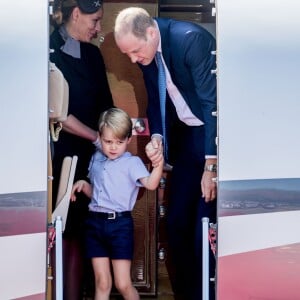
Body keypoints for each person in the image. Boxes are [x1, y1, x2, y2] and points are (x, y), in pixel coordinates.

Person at [114, 7, 217, 300]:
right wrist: (157, 137)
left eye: (135, 51)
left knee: (202, 229)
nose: (134, 60)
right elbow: (155, 101)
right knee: (175, 225)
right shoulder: (147, 51)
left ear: (150, 32)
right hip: (186, 142)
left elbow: (213, 106)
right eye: (127, 55)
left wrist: (212, 166)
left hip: (212, 141)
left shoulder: (190, 40)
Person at [49, 0, 114, 299]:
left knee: (88, 232)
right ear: (76, 14)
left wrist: (113, 144)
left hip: (93, 156)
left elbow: (106, 108)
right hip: (59, 156)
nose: (99, 28)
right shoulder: (47, 47)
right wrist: (96, 139)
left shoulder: (92, 54)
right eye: (95, 20)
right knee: (66, 231)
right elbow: (56, 113)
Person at [70, 107, 164, 300]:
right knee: (102, 283)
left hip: (120, 226)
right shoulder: (96, 158)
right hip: (94, 224)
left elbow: (151, 184)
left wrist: (159, 164)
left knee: (122, 284)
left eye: (119, 142)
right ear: (100, 137)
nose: (113, 147)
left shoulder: (132, 163)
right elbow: (97, 194)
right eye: (108, 141)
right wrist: (83, 185)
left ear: (129, 140)